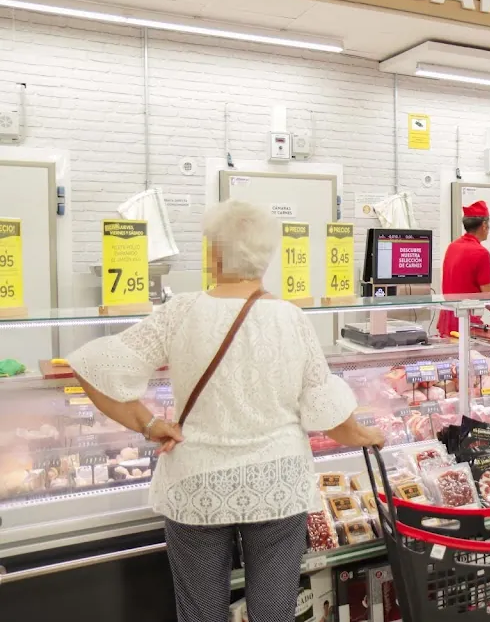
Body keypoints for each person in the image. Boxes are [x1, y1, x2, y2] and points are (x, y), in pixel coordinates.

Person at [66, 200, 385, 622]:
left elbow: (93, 367)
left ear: (214, 255)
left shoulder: (181, 311)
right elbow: (328, 415)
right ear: (266, 257)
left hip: (197, 485)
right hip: (276, 483)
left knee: (201, 613)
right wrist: (368, 436)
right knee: (274, 612)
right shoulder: (290, 318)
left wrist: (149, 424)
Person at [436, 200, 490, 337]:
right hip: (466, 323)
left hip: (448, 321)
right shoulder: (481, 253)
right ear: (484, 225)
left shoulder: (453, 247)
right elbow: (488, 296)